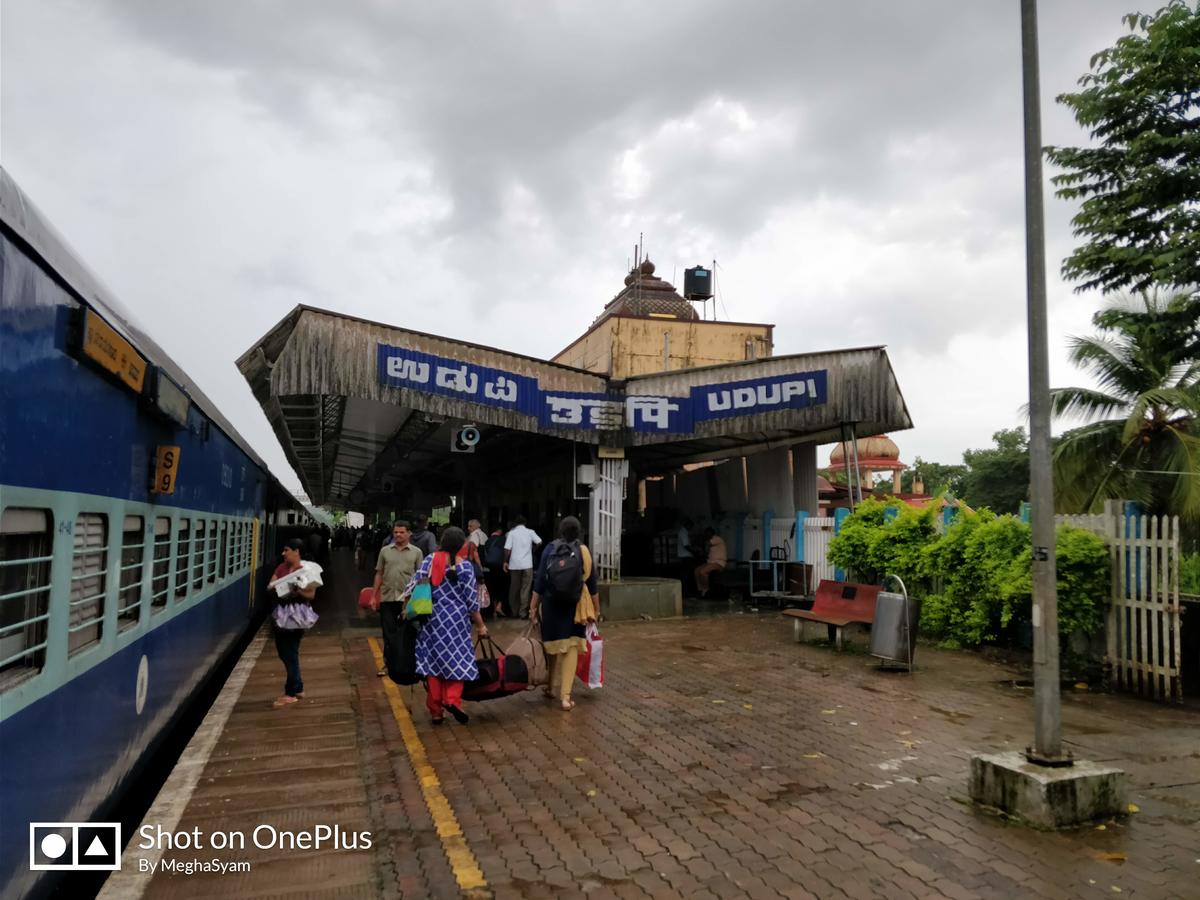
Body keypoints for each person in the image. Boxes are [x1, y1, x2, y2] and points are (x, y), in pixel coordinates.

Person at [414, 527, 488, 725]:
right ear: (462, 545)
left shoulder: (430, 560)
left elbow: (415, 585)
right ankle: (452, 700)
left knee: (433, 664)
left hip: (432, 619)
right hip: (457, 622)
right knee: (458, 661)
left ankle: (436, 710)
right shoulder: (465, 567)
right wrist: (480, 625)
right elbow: (472, 602)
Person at [530, 517, 597, 712]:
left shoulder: (549, 550)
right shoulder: (584, 551)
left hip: (551, 605)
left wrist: (533, 607)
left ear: (560, 531)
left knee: (554, 646)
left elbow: (540, 581)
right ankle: (565, 697)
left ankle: (551, 687)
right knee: (571, 647)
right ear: (579, 532)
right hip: (575, 606)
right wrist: (596, 609)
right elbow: (592, 584)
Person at [268, 538, 317, 708]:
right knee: (288, 652)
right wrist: (281, 584)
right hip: (281, 613)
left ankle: (290, 692)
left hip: (298, 614)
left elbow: (311, 595)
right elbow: (270, 585)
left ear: (297, 551)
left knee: (289, 653)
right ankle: (299, 688)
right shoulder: (281, 568)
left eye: (286, 550)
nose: (283, 553)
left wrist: (298, 590)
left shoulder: (308, 570)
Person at [373, 520, 424, 677]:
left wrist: (420, 600)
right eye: (396, 532)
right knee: (389, 634)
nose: (398, 535)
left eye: (402, 532)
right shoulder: (385, 551)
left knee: (409, 632)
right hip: (387, 598)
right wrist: (374, 595)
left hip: (407, 601)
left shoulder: (417, 552)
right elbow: (379, 573)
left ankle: (410, 664)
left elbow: (421, 577)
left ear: (409, 533)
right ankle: (389, 665)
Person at [503, 515, 543, 618]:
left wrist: (505, 561)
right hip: (527, 564)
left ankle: (514, 611)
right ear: (525, 523)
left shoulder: (511, 533)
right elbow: (539, 542)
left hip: (514, 565)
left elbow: (507, 549)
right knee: (525, 588)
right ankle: (523, 612)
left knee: (514, 589)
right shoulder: (530, 532)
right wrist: (533, 549)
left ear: (515, 524)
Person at [694, 527, 728, 598]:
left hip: (719, 563)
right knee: (696, 571)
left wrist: (701, 544)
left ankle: (706, 590)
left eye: (708, 534)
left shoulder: (717, 538)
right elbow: (705, 551)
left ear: (712, 534)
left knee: (703, 572)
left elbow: (706, 544)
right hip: (710, 562)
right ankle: (700, 590)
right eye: (705, 534)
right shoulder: (709, 540)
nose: (706, 535)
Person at [676, 517, 696, 596]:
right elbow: (686, 546)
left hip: (684, 556)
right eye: (691, 527)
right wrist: (694, 552)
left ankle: (685, 591)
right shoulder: (683, 532)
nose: (691, 529)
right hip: (685, 556)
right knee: (686, 575)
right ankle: (686, 592)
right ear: (688, 525)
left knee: (685, 574)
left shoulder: (683, 532)